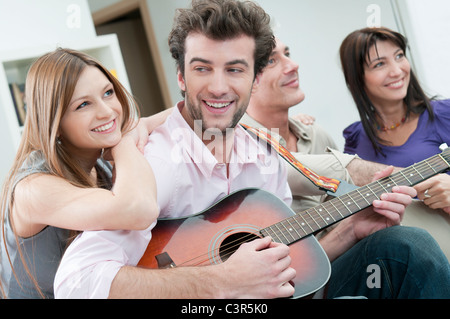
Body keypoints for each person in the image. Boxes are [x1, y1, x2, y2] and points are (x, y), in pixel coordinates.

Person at [54, 0, 416, 299]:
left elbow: (283, 263)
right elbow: (75, 282)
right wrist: (219, 281)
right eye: (202, 68)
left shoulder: (263, 156)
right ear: (181, 76)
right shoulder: (157, 161)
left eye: (235, 69)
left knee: (404, 245)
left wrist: (350, 230)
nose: (218, 87)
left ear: (255, 79)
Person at [240, 36, 450, 298]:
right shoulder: (236, 144)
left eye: (288, 53)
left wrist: (352, 227)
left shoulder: (316, 135)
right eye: (271, 60)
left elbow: (342, 222)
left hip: (339, 266)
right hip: (296, 285)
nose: (293, 64)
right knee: (406, 247)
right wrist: (409, 180)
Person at [0, 48, 159, 299]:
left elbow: (185, 117)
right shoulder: (32, 188)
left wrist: (141, 124)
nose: (107, 111)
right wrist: (126, 140)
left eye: (108, 93)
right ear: (54, 121)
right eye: (83, 104)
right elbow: (139, 210)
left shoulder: (98, 161)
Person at [341, 27, 450, 215]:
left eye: (399, 56)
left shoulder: (444, 114)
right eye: (379, 64)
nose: (397, 71)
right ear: (357, 78)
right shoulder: (355, 139)